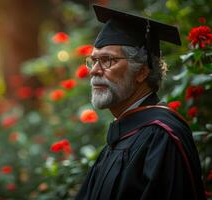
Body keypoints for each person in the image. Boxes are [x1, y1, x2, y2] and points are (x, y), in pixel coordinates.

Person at [75, 4, 206, 200]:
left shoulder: (161, 136)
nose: (94, 70)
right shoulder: (123, 135)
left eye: (108, 60)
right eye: (93, 61)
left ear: (142, 71)